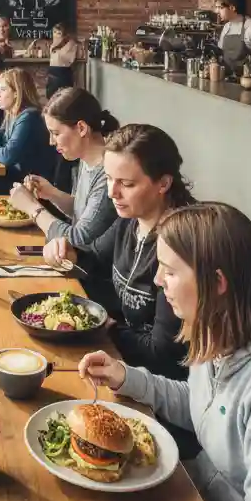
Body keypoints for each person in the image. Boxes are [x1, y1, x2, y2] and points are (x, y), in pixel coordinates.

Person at [78, 203, 251, 501]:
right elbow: (206, 408)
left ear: (217, 282)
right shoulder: (218, 330)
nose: (158, 281)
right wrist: (128, 378)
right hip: (199, 489)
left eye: (169, 271)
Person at [46, 123, 194, 379]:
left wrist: (104, 326)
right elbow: (97, 262)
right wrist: (71, 254)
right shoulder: (130, 219)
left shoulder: (182, 243)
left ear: (164, 183)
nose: (112, 193)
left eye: (126, 183)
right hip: (123, 359)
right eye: (108, 178)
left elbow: (162, 351)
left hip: (157, 384)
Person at [8, 88, 118, 255]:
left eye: (56, 133)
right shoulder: (85, 159)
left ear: (81, 128)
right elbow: (83, 213)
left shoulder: (108, 174)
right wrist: (51, 193)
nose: (52, 142)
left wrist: (32, 208)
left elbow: (78, 239)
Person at [0, 68, 55, 184]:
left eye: (2, 90)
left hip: (31, 184)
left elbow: (7, 156)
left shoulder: (29, 116)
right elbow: (3, 135)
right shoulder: (13, 112)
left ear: (16, 93)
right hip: (16, 175)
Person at [46, 22, 79, 98]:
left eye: (59, 33)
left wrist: (58, 46)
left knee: (64, 99)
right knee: (51, 97)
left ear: (64, 34)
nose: (56, 35)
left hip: (63, 74)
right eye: (54, 32)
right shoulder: (53, 45)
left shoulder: (71, 44)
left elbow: (65, 58)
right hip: (52, 74)